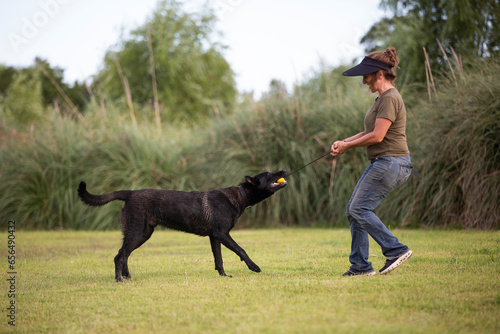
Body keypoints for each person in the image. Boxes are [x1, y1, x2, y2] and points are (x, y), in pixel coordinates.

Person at [330, 47, 415, 276]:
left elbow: (377, 137)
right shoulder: (382, 99)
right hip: (385, 162)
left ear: (379, 74)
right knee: (354, 210)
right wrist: (344, 142)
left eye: (366, 76)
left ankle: (395, 249)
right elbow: (370, 131)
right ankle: (360, 267)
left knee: (359, 208)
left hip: (391, 162)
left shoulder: (390, 98)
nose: (364, 81)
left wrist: (348, 146)